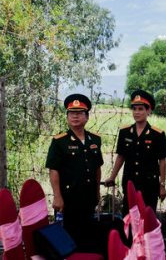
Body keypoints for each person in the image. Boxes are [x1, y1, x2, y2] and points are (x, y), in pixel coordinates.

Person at [45, 94, 103, 251]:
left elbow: (97, 168)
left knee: (87, 237)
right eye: (71, 113)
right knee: (69, 238)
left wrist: (97, 191)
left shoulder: (95, 140)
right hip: (68, 199)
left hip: (89, 196)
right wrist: (57, 196)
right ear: (67, 116)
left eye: (79, 112)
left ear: (87, 116)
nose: (75, 116)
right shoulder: (59, 141)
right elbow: (53, 170)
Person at [105, 90, 166, 215]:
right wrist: (112, 177)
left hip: (149, 184)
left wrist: (162, 185)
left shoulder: (157, 134)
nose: (137, 112)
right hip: (130, 182)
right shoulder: (125, 132)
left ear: (148, 111)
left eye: (141, 109)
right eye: (134, 109)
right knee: (129, 217)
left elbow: (162, 161)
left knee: (147, 218)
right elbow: (121, 156)